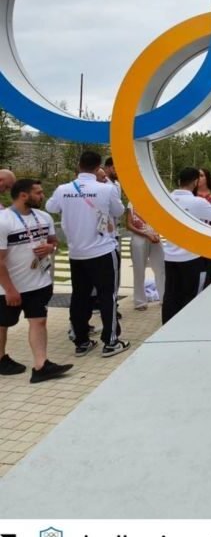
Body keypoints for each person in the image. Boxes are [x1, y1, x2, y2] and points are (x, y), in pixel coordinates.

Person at [47, 150, 129, 358]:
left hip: (76, 252)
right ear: (97, 167)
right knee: (107, 295)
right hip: (102, 250)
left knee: (80, 296)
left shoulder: (63, 189)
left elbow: (50, 206)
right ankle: (110, 341)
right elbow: (119, 212)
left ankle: (81, 341)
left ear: (79, 165)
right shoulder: (106, 189)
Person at [0, 179, 72, 383]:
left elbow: (54, 243)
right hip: (9, 287)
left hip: (38, 282)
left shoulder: (44, 217)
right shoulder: (4, 221)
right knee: (3, 324)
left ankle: (41, 365)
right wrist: (10, 289)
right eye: (38, 193)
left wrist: (51, 249)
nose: (43, 196)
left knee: (39, 320)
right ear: (24, 195)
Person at [162, 168, 211, 324]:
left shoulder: (166, 199)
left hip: (170, 256)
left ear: (179, 181)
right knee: (191, 296)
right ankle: (188, 326)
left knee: (171, 295)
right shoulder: (198, 202)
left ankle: (168, 327)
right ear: (196, 182)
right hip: (191, 257)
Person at [126, 203, 165, 311]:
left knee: (161, 268)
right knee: (139, 270)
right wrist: (146, 234)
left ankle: (164, 298)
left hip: (155, 237)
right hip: (139, 238)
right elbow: (128, 225)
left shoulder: (153, 199)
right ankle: (140, 302)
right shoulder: (132, 202)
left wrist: (156, 233)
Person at [196, 168, 211, 286]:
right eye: (197, 176)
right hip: (194, 237)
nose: (198, 178)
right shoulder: (191, 195)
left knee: (208, 270)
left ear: (207, 178)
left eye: (201, 175)